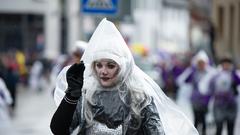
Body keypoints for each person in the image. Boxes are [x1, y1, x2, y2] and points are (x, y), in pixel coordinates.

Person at [50, 18, 198, 135]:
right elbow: (59, 130)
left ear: (123, 68)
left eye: (110, 65)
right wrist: (71, 95)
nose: (103, 71)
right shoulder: (87, 94)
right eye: (99, 65)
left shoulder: (140, 97)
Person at [177, 50, 216, 135]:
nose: (201, 65)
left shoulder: (210, 73)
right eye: (199, 62)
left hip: (206, 100)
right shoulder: (193, 72)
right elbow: (181, 81)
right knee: (197, 118)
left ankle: (204, 132)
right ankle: (196, 133)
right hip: (195, 100)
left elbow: (214, 86)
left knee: (204, 119)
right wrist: (190, 69)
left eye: (203, 62)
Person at [209, 57, 240, 135]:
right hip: (219, 105)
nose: (226, 66)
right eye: (224, 64)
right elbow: (210, 87)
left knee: (231, 128)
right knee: (219, 127)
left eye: (228, 64)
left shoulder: (233, 74)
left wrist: (234, 75)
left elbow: (238, 82)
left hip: (231, 105)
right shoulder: (216, 75)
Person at [52, 40, 87, 105]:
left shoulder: (87, 70)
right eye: (74, 54)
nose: (75, 57)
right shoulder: (68, 66)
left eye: (77, 55)